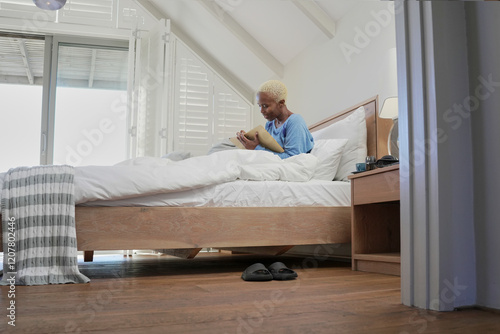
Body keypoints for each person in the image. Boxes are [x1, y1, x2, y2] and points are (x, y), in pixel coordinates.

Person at [236, 80, 314, 159]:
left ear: (281, 103)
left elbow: (292, 158)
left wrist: (255, 148)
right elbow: (268, 152)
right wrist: (247, 141)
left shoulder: (295, 121)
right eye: (259, 106)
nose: (261, 111)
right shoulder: (270, 124)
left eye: (265, 106)